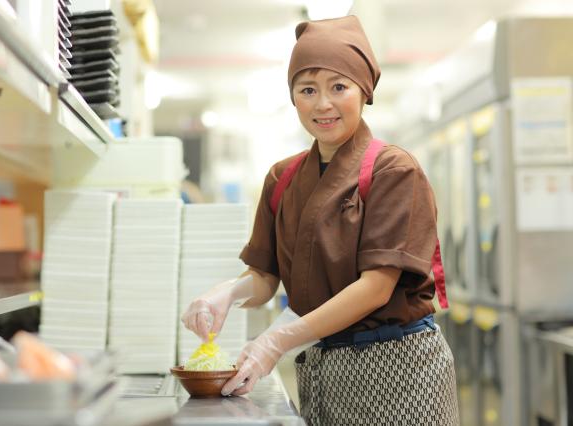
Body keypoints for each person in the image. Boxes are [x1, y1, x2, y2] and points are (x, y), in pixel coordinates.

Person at [181, 15, 459, 425]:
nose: (323, 104)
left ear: (364, 92)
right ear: (293, 97)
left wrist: (275, 341)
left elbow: (375, 288)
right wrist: (226, 294)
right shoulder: (283, 178)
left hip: (399, 369)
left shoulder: (394, 171)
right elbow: (265, 278)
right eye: (307, 89)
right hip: (323, 369)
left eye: (339, 87)